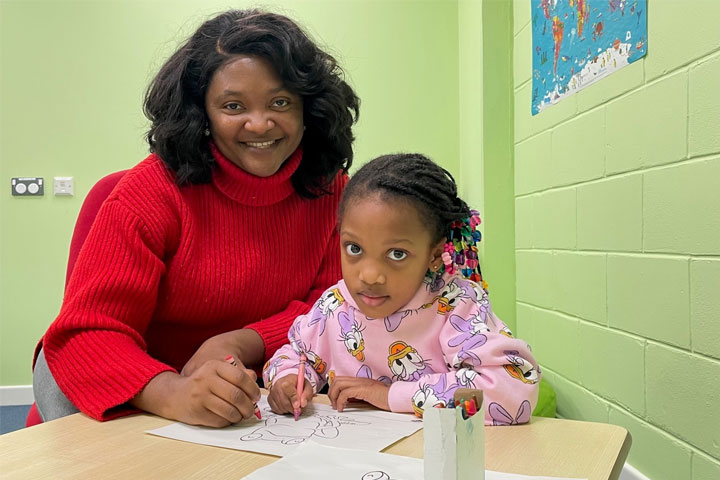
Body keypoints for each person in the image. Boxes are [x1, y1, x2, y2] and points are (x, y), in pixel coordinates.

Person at [33, 9, 359, 427]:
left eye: (280, 102)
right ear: (201, 112)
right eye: (233, 105)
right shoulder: (150, 191)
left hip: (260, 398)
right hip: (144, 399)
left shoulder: (333, 190)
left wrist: (241, 342)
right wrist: (173, 393)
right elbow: (86, 334)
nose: (260, 123)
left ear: (307, 107)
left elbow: (335, 306)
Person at [265, 153, 539, 424]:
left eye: (396, 254)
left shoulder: (457, 305)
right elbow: (296, 355)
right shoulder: (334, 306)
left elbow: (512, 392)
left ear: (433, 255)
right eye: (354, 248)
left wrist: (390, 396)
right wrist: (288, 380)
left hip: (433, 462)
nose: (369, 276)